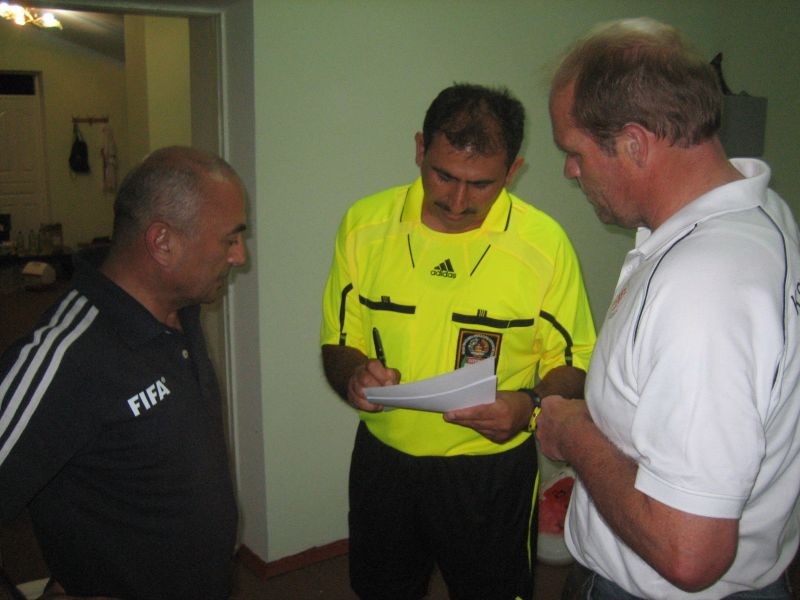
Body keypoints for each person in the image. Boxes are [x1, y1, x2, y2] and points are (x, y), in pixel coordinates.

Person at [539, 17, 800, 600]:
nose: (570, 170)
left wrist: (573, 430)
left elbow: (690, 553)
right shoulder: (761, 213)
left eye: (575, 152)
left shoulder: (703, 289)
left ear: (634, 144)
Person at [320, 83, 595, 600]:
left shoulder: (545, 245)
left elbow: (575, 360)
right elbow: (338, 341)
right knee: (381, 590)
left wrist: (529, 404)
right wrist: (353, 376)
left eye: (481, 184)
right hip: (384, 461)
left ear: (513, 171)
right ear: (420, 149)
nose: (457, 200)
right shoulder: (364, 226)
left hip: (490, 470)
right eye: (443, 175)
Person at [0, 146, 247, 599]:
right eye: (229, 239)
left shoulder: (181, 311)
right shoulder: (68, 353)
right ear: (163, 242)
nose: (239, 257)